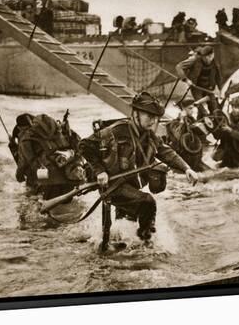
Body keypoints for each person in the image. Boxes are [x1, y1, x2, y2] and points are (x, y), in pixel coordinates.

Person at [79, 92, 198, 243]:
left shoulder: (149, 136)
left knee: (126, 228)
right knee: (148, 202)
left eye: (155, 117)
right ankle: (147, 243)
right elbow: (84, 145)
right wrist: (100, 171)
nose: (153, 121)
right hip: (112, 186)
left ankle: (121, 248)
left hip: (131, 187)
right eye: (149, 116)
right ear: (135, 114)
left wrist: (187, 168)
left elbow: (166, 152)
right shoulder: (116, 130)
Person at [16, 114, 79, 191]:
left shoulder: (26, 139)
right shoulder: (60, 129)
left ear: (20, 127)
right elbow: (78, 145)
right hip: (71, 175)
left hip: (47, 180)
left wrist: (19, 176)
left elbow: (23, 163)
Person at [165, 97, 211, 172]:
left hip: (195, 159)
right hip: (182, 160)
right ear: (183, 109)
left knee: (210, 173)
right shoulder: (174, 123)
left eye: (193, 108)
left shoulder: (192, 121)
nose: (192, 111)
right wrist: (182, 120)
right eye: (190, 108)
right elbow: (178, 136)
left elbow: (202, 139)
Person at [175, 45, 222, 118]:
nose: (208, 59)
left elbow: (218, 77)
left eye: (210, 57)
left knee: (215, 109)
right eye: (205, 57)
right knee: (202, 110)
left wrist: (220, 89)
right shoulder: (195, 60)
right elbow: (179, 67)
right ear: (202, 56)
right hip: (197, 87)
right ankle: (202, 122)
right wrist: (186, 79)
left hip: (209, 88)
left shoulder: (215, 62)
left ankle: (214, 123)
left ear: (212, 55)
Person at [212, 96, 239, 168]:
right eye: (233, 107)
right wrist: (216, 128)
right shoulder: (226, 117)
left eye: (238, 108)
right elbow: (218, 136)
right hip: (228, 152)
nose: (235, 110)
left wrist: (230, 130)